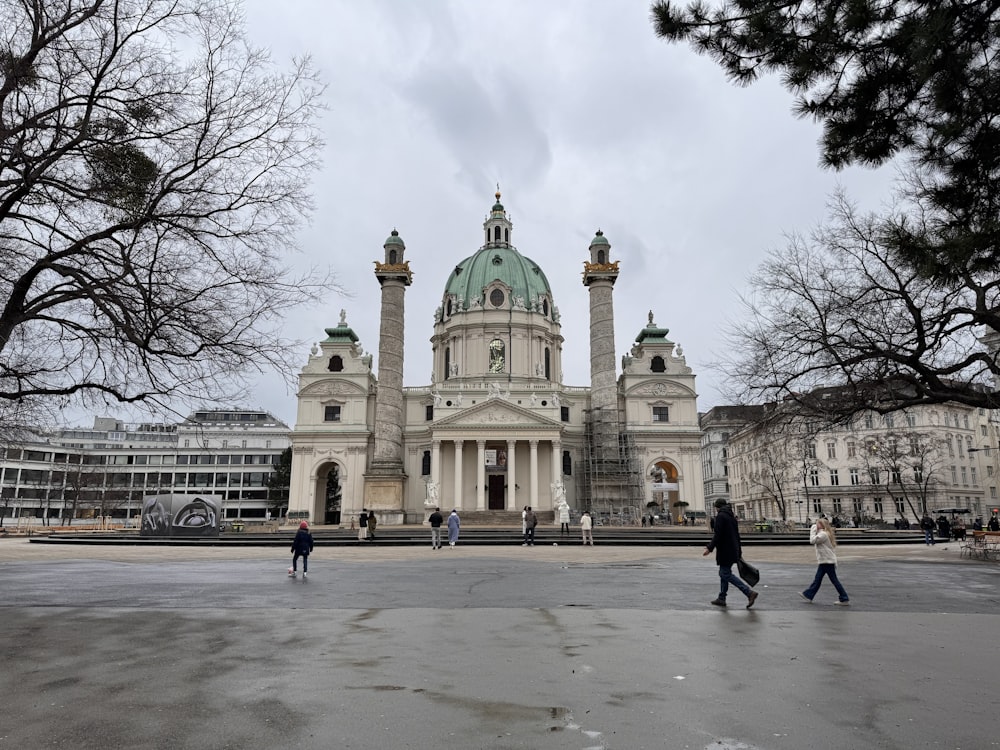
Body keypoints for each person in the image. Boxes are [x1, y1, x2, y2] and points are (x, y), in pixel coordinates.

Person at [703, 498, 758, 609]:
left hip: (725, 551)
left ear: (717, 507)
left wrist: (709, 548)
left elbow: (717, 535)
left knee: (725, 574)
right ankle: (722, 598)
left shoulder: (720, 517)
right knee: (724, 573)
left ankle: (748, 592)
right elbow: (737, 535)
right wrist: (739, 551)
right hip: (733, 549)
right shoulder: (731, 516)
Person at [800, 517, 850, 605]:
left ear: (822, 525)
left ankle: (844, 598)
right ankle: (808, 595)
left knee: (832, 580)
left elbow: (812, 540)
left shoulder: (823, 534)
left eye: (818, 523)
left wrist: (812, 530)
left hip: (827, 560)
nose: (816, 525)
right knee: (818, 579)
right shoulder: (824, 533)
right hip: (825, 560)